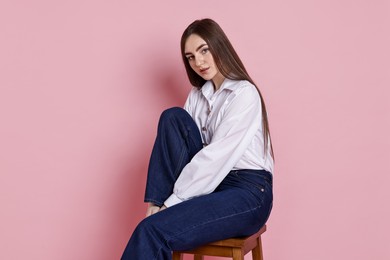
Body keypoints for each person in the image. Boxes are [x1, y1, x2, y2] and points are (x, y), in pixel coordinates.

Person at [121, 18, 274, 260]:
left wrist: (172, 204)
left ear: (219, 46)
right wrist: (158, 204)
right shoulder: (197, 96)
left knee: (152, 230)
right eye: (190, 57)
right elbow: (184, 151)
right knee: (172, 117)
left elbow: (215, 158)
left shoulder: (244, 94)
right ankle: (154, 206)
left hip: (247, 193)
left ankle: (159, 212)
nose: (198, 62)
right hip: (212, 187)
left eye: (204, 50)